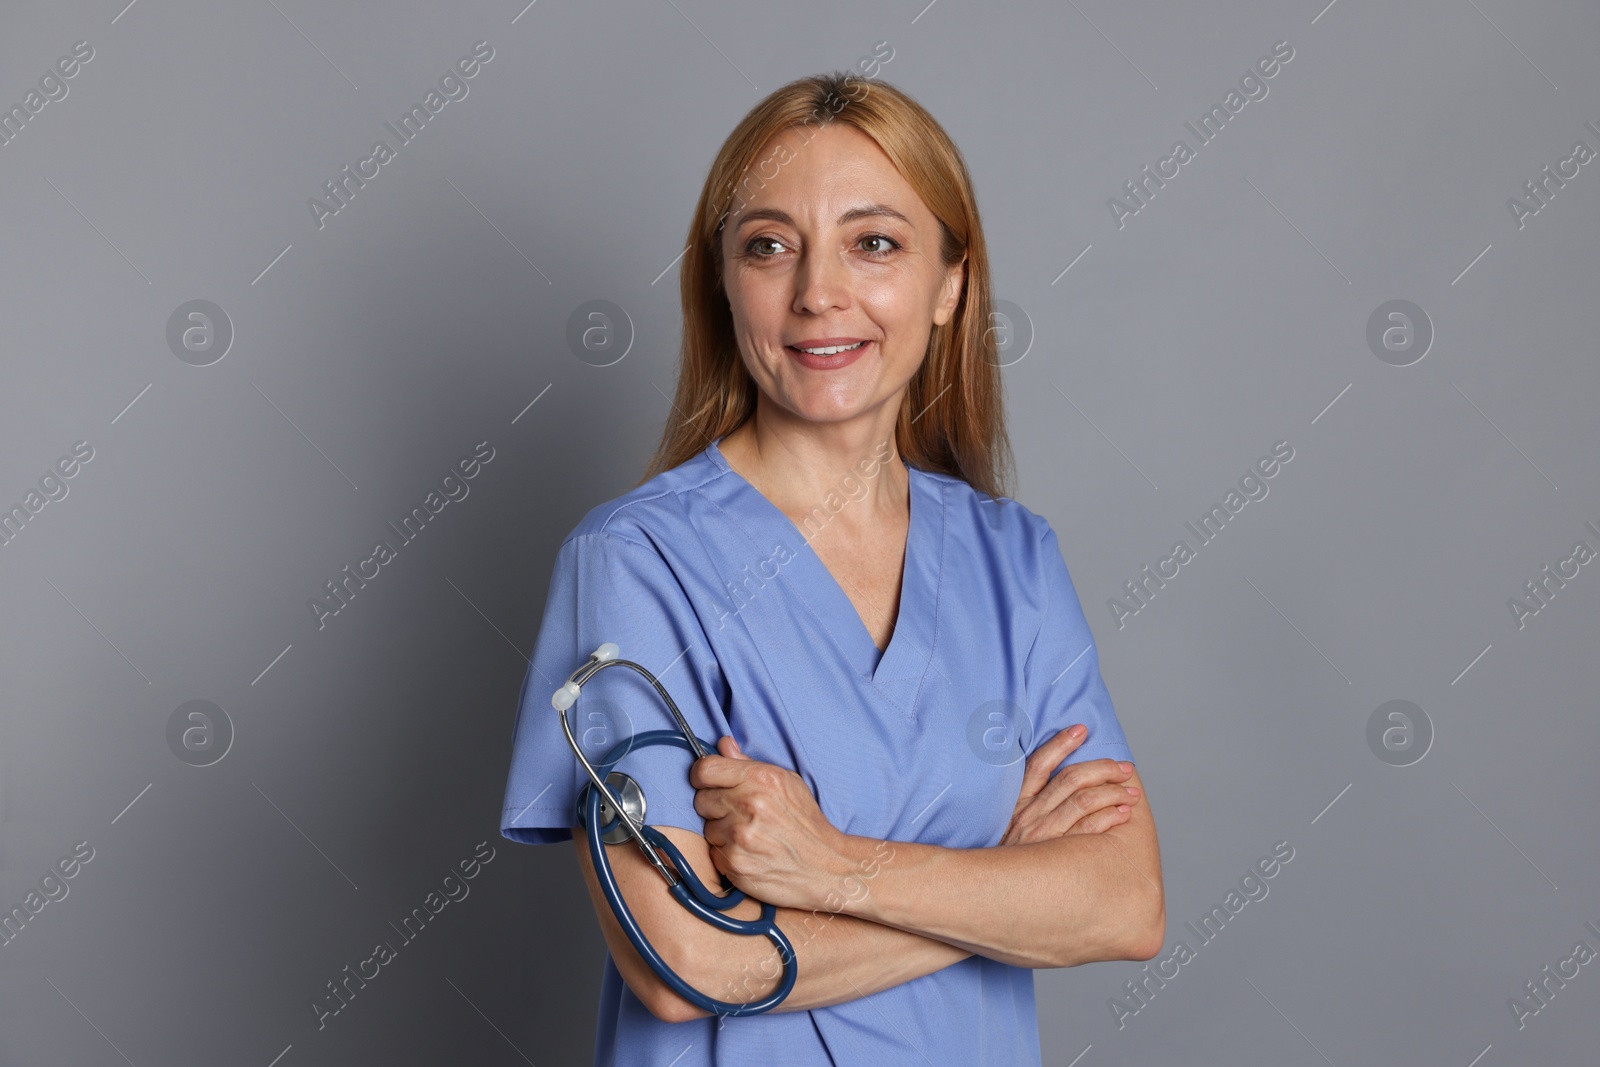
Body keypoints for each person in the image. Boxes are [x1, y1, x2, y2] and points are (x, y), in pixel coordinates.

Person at [499, 70, 1164, 1065]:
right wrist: (1002, 886)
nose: (818, 293)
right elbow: (686, 965)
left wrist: (833, 866)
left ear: (949, 284)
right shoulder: (636, 561)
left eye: (875, 243)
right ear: (722, 284)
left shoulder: (1013, 561)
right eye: (769, 246)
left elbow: (1123, 902)